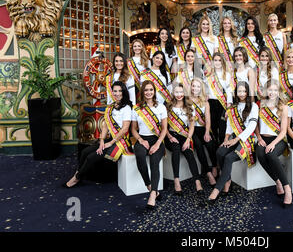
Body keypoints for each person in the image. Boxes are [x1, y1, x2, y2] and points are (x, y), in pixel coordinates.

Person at [64, 81, 132, 188]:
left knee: (92, 157)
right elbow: (105, 125)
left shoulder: (127, 108)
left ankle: (76, 178)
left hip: (120, 142)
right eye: (115, 91)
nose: (117, 93)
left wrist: (110, 143)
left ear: (124, 92)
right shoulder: (111, 107)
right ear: (112, 92)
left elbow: (124, 129)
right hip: (110, 139)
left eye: (120, 91)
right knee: (85, 152)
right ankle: (79, 174)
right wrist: (101, 141)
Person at [205, 81, 259, 205]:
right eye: (239, 91)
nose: (241, 93)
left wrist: (236, 139)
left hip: (248, 140)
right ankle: (227, 180)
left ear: (247, 92)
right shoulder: (232, 108)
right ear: (236, 93)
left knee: (229, 158)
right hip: (233, 137)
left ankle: (216, 191)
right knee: (220, 152)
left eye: (244, 91)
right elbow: (229, 126)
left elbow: (252, 126)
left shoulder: (254, 106)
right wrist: (226, 139)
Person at [255, 80, 292, 207]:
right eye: (270, 90)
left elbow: (283, 132)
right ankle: (277, 181)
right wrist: (259, 138)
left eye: (275, 90)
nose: (272, 92)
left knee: (271, 155)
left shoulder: (283, 107)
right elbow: (255, 125)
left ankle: (287, 189)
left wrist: (273, 144)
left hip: (278, 140)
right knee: (260, 154)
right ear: (266, 91)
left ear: (279, 92)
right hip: (263, 139)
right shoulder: (260, 105)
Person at [130, 80, 167, 210]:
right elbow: (133, 129)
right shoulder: (137, 108)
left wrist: (157, 144)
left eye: (151, 90)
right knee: (139, 155)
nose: (149, 92)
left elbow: (164, 129)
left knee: (154, 162)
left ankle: (152, 196)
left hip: (157, 139)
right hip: (143, 139)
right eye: (146, 90)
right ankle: (150, 187)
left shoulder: (161, 107)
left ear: (154, 91)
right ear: (142, 92)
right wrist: (140, 140)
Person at [165, 83, 204, 195]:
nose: (179, 94)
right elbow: (164, 126)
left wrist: (188, 139)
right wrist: (170, 136)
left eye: (181, 92)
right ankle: (177, 181)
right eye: (176, 92)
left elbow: (191, 126)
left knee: (189, 152)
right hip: (171, 136)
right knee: (176, 150)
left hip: (184, 135)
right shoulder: (168, 106)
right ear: (173, 93)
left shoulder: (190, 106)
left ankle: (197, 182)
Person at [205, 52, 233, 176]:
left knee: (222, 134)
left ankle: (222, 164)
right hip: (210, 105)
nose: (217, 62)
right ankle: (214, 164)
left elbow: (230, 93)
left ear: (222, 62)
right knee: (212, 135)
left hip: (222, 106)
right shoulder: (208, 75)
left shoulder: (227, 75)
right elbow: (205, 92)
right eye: (215, 60)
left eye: (219, 60)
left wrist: (228, 108)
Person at [189, 78, 217, 186]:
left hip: (203, 128)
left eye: (198, 86)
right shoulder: (187, 101)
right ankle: (208, 173)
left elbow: (208, 120)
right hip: (192, 130)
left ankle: (214, 165)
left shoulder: (205, 102)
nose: (195, 88)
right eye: (193, 86)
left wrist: (207, 132)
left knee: (210, 143)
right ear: (190, 87)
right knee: (199, 146)